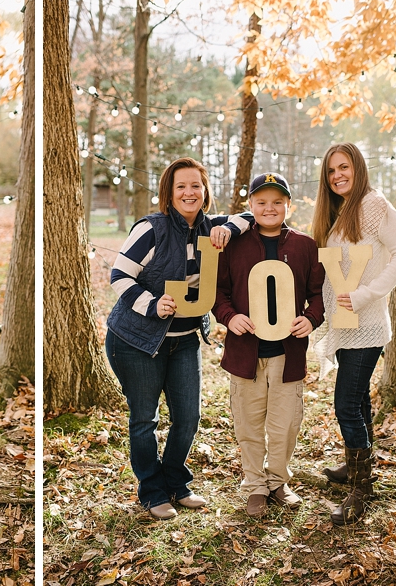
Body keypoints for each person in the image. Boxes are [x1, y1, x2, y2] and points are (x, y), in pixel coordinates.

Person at [105, 156, 253, 520]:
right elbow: (119, 275)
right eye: (181, 186)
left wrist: (230, 229)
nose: (189, 192)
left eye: (196, 186)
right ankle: (152, 491)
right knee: (145, 419)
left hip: (185, 338)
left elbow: (251, 216)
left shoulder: (211, 228)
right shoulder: (151, 229)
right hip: (137, 340)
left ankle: (175, 481)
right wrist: (152, 304)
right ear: (169, 194)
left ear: (205, 192)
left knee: (188, 417)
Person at [213, 173, 325, 518]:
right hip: (246, 353)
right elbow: (217, 292)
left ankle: (278, 482)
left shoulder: (304, 245)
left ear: (288, 205)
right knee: (248, 425)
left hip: (287, 355)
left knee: (285, 425)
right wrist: (230, 317)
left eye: (277, 202)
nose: (270, 208)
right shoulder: (234, 244)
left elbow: (319, 293)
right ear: (250, 206)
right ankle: (254, 486)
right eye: (261, 202)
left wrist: (312, 319)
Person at [312, 142, 396, 525]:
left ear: (358, 167)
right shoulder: (340, 211)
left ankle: (361, 488)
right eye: (332, 171)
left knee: (346, 404)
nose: (338, 175)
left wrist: (367, 293)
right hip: (347, 324)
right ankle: (358, 465)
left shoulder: (374, 205)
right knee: (358, 402)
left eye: (344, 167)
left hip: (367, 325)